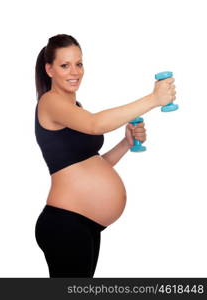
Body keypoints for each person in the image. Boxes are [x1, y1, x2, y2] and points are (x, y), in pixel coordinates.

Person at [34, 34, 176, 278]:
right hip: (65, 224)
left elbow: (92, 164)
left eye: (79, 64)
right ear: (49, 69)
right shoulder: (49, 102)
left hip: (84, 225)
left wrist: (125, 143)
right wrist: (153, 99)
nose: (75, 71)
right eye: (64, 65)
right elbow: (95, 124)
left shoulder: (75, 109)